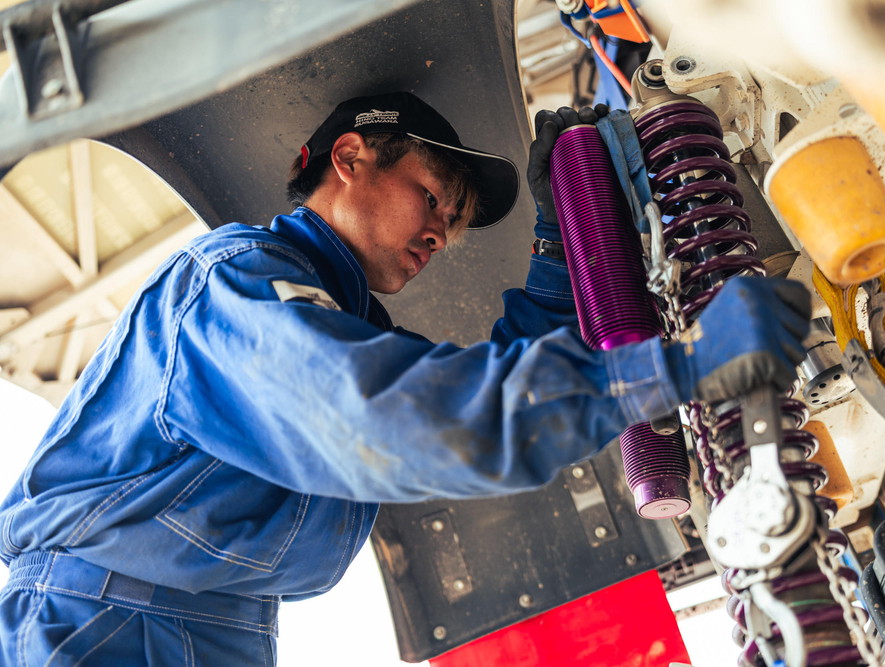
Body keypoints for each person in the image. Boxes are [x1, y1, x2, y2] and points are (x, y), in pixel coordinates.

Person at [0, 91, 811, 664]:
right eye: (433, 196)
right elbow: (409, 420)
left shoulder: (340, 325)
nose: (442, 232)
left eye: (453, 222)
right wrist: (681, 364)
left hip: (205, 633)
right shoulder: (232, 285)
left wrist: (564, 247)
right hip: (100, 628)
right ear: (348, 157)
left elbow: (461, 386)